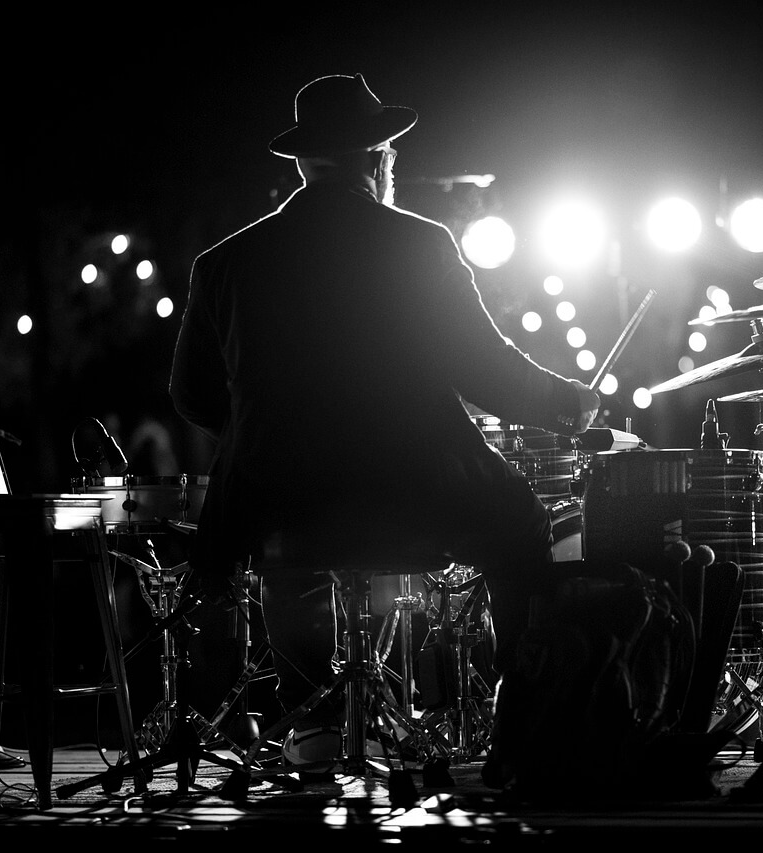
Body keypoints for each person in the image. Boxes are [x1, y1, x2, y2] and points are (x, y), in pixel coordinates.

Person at [168, 73, 600, 774]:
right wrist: (568, 402)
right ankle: (524, 712)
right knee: (524, 524)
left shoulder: (224, 262)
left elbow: (190, 395)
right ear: (379, 158)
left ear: (305, 164)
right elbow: (483, 369)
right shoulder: (419, 244)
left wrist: (269, 428)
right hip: (414, 494)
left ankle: (310, 718)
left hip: (279, 499)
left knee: (287, 544)